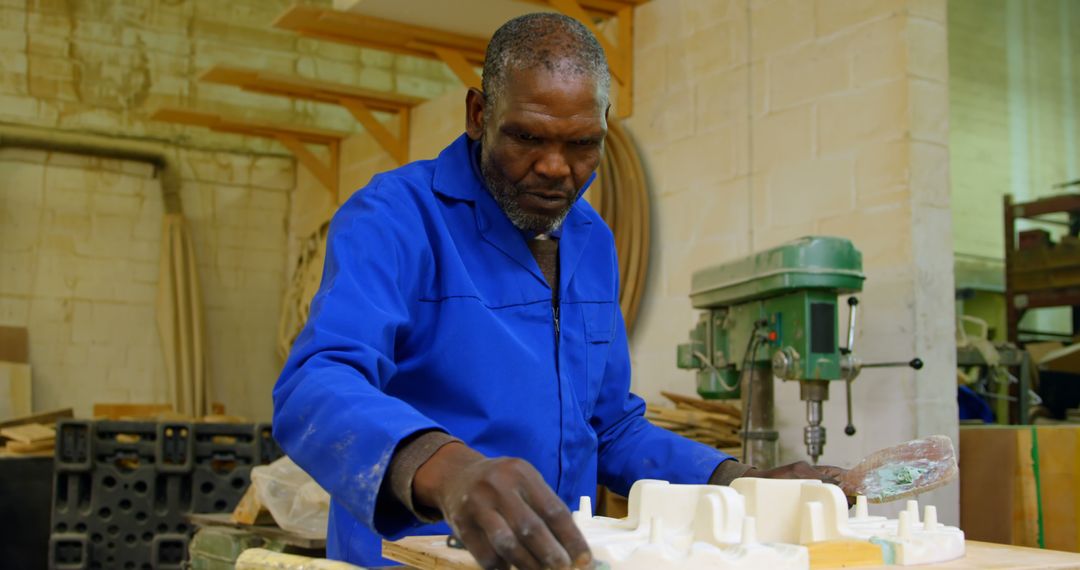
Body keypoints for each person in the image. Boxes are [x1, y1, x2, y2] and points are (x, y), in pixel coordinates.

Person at [273, 12, 842, 569]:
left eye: (581, 145)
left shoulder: (591, 240)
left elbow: (609, 426)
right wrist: (448, 469)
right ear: (478, 114)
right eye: (527, 136)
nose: (554, 167)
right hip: (415, 558)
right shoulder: (397, 216)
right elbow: (316, 383)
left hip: (554, 557)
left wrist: (734, 482)